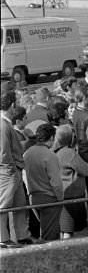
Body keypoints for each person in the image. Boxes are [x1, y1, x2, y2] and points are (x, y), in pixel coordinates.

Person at [0, 91, 32, 246]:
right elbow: (3, 153)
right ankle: (2, 238)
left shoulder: (5, 124)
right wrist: (11, 172)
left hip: (13, 170)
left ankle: (22, 236)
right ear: (12, 105)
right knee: (4, 205)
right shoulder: (2, 125)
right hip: (9, 172)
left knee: (20, 205)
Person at [23, 123, 64, 242]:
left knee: (44, 232)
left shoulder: (27, 153)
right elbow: (56, 183)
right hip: (49, 199)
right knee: (50, 237)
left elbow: (24, 176)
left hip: (33, 198)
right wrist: (60, 199)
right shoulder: (50, 155)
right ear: (51, 138)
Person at [53, 123, 88, 237]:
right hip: (70, 196)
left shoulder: (53, 151)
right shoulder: (68, 153)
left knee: (63, 231)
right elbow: (86, 170)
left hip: (58, 194)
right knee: (68, 231)